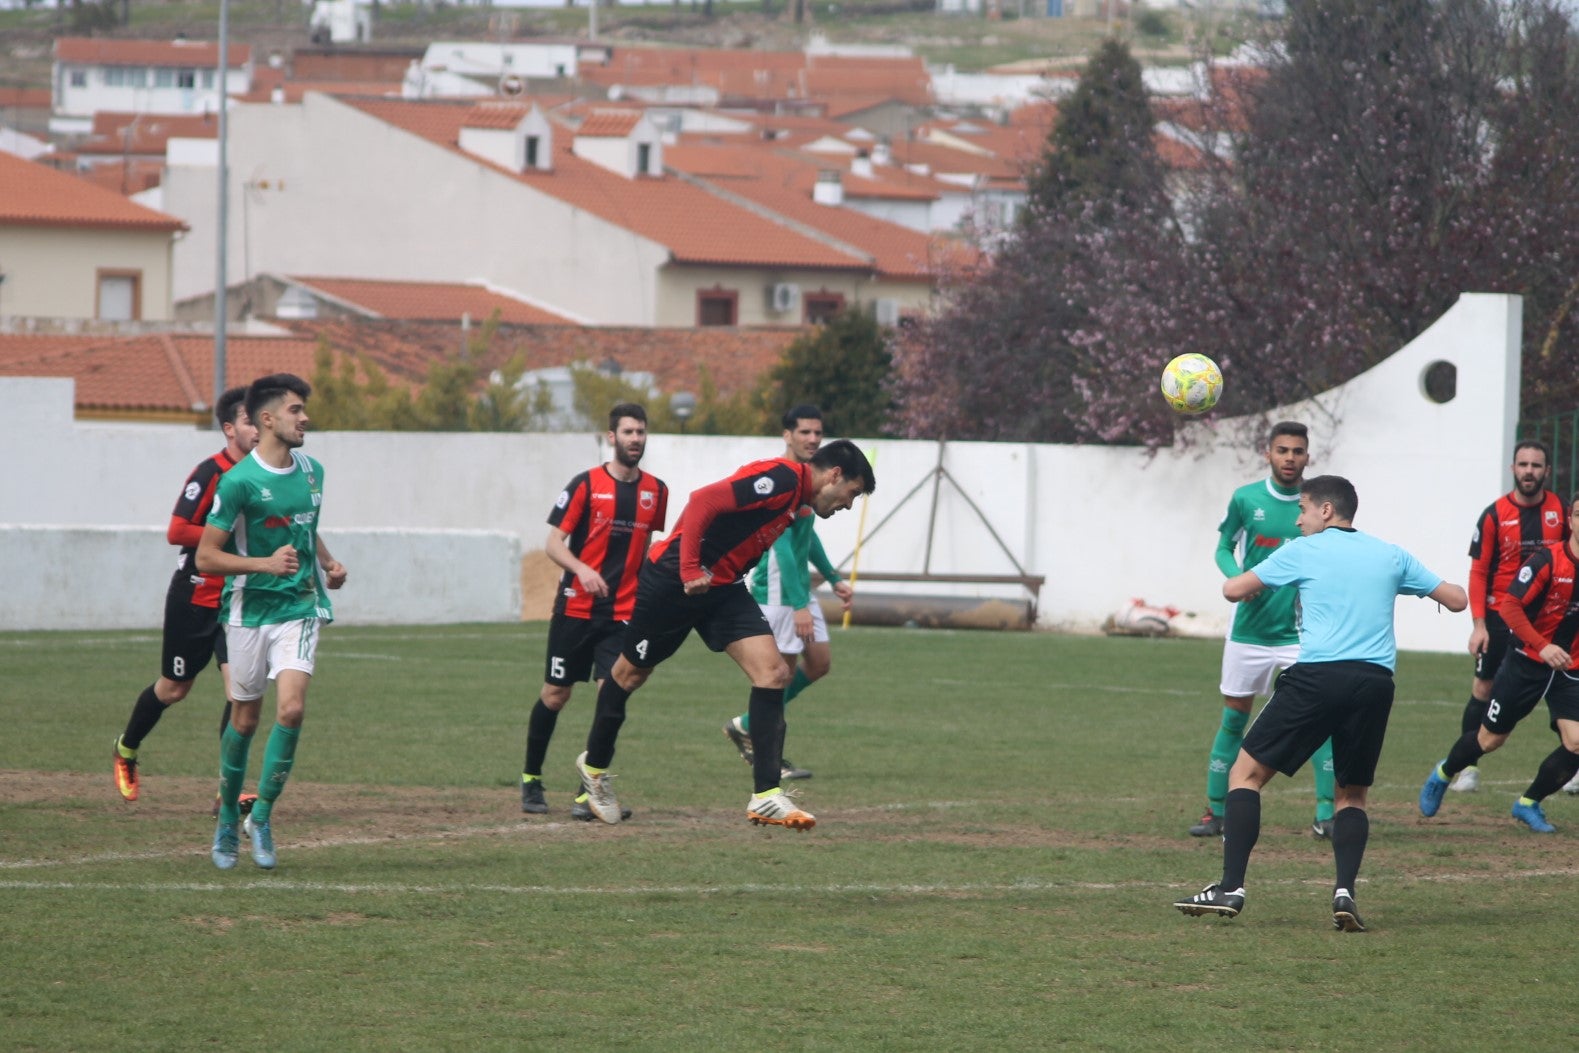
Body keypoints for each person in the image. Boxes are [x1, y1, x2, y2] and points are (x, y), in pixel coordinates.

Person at [1174, 475, 1466, 931]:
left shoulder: (1302, 550)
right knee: (1352, 794)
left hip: (1318, 677)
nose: (1299, 518)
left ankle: (1231, 886)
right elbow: (1456, 599)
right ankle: (1345, 892)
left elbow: (1233, 590)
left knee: (1245, 774)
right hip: (1374, 682)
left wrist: (1264, 579)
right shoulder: (1390, 553)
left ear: (1326, 511)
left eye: (1304, 510)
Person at [574, 439, 876, 828]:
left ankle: (766, 795)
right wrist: (688, 570)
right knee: (629, 674)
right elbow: (703, 501)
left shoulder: (797, 500)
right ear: (834, 475)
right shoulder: (781, 478)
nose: (848, 504)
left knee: (773, 673)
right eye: (851, 494)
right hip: (673, 581)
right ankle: (594, 769)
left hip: (723, 588)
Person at [196, 373, 347, 871]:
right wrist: (263, 565)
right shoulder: (237, 484)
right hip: (246, 611)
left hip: (299, 606)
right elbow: (206, 557)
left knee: (292, 710)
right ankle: (224, 824)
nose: (305, 419)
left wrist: (326, 562)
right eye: (296, 410)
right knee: (244, 718)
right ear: (267, 419)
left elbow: (305, 527)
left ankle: (260, 815)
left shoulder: (313, 472)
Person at [1190, 422, 1337, 840]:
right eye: (1282, 450)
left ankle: (1327, 814)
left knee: (1320, 723)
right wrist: (1240, 577)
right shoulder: (1246, 499)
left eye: (1297, 451)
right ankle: (1215, 812)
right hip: (1248, 635)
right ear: (1268, 453)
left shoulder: (1319, 506)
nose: (1290, 458)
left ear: (1308, 457)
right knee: (1234, 720)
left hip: (1300, 636)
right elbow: (1222, 546)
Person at [521, 404, 667, 821]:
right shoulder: (586, 484)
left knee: (612, 695)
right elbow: (554, 543)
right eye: (628, 432)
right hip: (576, 609)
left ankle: (589, 792)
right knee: (556, 694)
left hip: (623, 613)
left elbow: (648, 551)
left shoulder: (656, 491)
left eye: (641, 432)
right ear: (611, 437)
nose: (635, 439)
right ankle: (531, 778)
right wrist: (582, 569)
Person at [113, 387, 258, 807]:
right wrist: (226, 535)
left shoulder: (263, 476)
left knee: (240, 695)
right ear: (230, 429)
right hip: (195, 596)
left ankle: (226, 791)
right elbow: (177, 532)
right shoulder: (210, 473)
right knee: (175, 688)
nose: (257, 427)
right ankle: (126, 748)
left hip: (237, 599)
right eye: (249, 420)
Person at [1419, 493, 1579, 833]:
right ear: (1569, 518)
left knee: (1577, 741)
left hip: (1571, 670)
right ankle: (1445, 773)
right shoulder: (1546, 561)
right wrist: (1542, 645)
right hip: (1527, 661)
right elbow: (1509, 608)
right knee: (1489, 740)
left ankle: (1528, 803)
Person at [722, 405, 853, 782]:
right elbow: (779, 541)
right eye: (804, 432)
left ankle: (745, 726)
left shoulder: (811, 480)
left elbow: (805, 536)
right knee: (778, 674)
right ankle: (768, 755)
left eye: (817, 433)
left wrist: (832, 576)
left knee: (820, 663)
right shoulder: (781, 477)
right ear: (787, 436)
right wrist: (798, 605)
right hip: (778, 589)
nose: (812, 439)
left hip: (797, 589)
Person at [1444, 440, 1569, 794]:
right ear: (1513, 469)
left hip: (1549, 621)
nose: (1529, 471)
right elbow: (1479, 572)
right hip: (1501, 617)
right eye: (1523, 464)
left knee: (1565, 687)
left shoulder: (1561, 511)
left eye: (1536, 465)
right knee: (1483, 688)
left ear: (1546, 471)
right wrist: (1479, 626)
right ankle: (1467, 769)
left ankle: (1571, 764)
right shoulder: (1494, 514)